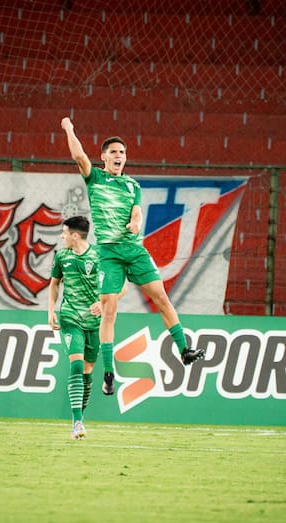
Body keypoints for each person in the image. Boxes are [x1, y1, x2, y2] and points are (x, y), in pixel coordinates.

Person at [60, 117, 205, 391]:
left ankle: (184, 350)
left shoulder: (132, 186)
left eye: (122, 153)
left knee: (161, 296)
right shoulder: (95, 177)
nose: (118, 156)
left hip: (135, 250)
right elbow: (78, 155)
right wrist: (69, 129)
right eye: (113, 152)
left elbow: (136, 211)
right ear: (103, 157)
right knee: (109, 309)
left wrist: (136, 223)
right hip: (109, 253)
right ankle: (109, 374)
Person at [48, 216, 124, 440]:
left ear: (75, 235)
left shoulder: (100, 256)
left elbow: (121, 288)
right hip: (70, 316)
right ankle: (77, 421)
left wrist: (103, 303)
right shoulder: (61, 256)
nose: (61, 237)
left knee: (88, 371)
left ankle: (80, 417)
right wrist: (51, 310)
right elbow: (54, 284)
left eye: (64, 233)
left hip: (94, 323)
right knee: (77, 363)